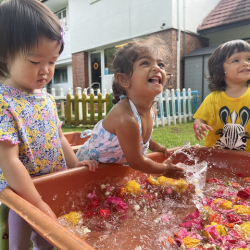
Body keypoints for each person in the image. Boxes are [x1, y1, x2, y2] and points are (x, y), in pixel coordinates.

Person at [0, 0, 98, 249]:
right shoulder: (4, 102)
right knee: (19, 242)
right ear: (4, 55)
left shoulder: (47, 99)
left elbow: (59, 137)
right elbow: (9, 160)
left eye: (52, 62)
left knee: (49, 242)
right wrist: (37, 202)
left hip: (54, 183)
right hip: (23, 193)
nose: (45, 70)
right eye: (35, 61)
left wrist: (76, 165)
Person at [76, 37, 185, 179]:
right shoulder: (125, 117)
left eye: (161, 64)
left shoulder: (152, 111)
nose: (157, 68)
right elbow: (137, 162)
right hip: (89, 166)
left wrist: (155, 146)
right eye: (145, 63)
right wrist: (165, 169)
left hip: (114, 167)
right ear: (124, 80)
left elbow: (136, 137)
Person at [193, 39, 250, 151]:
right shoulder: (213, 98)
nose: (246, 63)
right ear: (220, 69)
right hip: (217, 157)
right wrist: (198, 126)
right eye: (236, 60)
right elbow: (200, 119)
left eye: (249, 58)